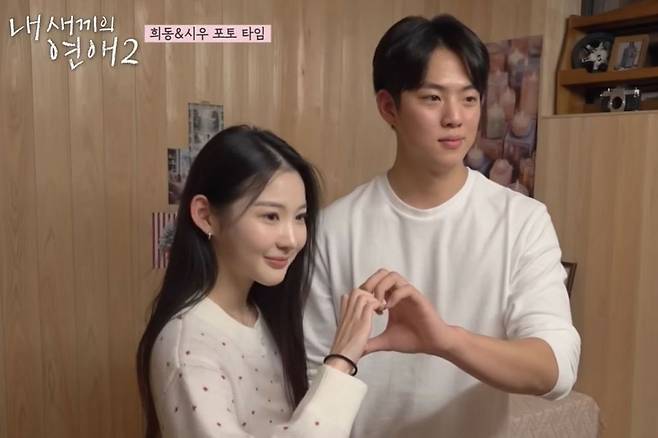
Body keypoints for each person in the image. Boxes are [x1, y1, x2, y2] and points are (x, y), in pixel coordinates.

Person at [303, 15, 581, 437]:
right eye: (432, 98)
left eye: (469, 99)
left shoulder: (522, 221)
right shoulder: (334, 228)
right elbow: (310, 378)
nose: (455, 117)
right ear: (389, 107)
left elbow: (557, 369)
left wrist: (445, 341)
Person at [137, 125, 383, 437]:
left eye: (299, 217)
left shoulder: (260, 313)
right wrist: (341, 360)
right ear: (205, 215)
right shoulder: (187, 346)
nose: (291, 239)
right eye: (270, 216)